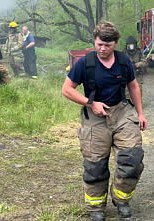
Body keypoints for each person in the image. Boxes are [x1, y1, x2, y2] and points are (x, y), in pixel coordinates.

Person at [62, 21, 147, 221]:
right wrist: (90, 103)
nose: (102, 48)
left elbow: (133, 87)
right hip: (95, 116)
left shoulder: (123, 61)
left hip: (121, 112)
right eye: (99, 44)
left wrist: (141, 114)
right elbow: (67, 89)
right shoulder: (85, 63)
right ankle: (96, 207)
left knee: (132, 159)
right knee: (95, 166)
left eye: (107, 45)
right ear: (95, 41)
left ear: (115, 43)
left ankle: (121, 198)